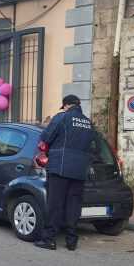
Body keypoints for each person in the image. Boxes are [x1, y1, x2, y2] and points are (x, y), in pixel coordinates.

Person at [35, 95, 96, 251]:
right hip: (80, 170)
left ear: (66, 105)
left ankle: (49, 239)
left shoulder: (62, 117)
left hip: (60, 166)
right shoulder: (88, 123)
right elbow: (93, 146)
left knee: (55, 204)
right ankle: (71, 241)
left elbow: (46, 137)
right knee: (73, 205)